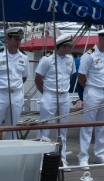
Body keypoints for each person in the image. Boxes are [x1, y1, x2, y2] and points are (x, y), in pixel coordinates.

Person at [34, 33, 76, 166]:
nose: (71, 47)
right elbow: (38, 79)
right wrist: (46, 93)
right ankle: (40, 160)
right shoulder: (47, 60)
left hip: (64, 95)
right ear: (62, 46)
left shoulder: (71, 59)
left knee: (63, 129)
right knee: (44, 129)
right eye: (69, 45)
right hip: (50, 95)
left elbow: (69, 76)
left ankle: (62, 159)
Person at [77, 28, 104, 167]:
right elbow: (81, 75)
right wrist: (89, 87)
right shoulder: (89, 55)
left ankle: (99, 154)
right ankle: (83, 156)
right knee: (88, 125)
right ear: (102, 38)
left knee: (102, 125)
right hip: (93, 90)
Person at [0, 27, 29, 141]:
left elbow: (24, 76)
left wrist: (14, 88)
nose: (18, 42)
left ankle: (11, 154)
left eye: (20, 39)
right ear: (8, 39)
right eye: (15, 39)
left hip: (16, 95)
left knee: (13, 128)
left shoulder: (24, 57)